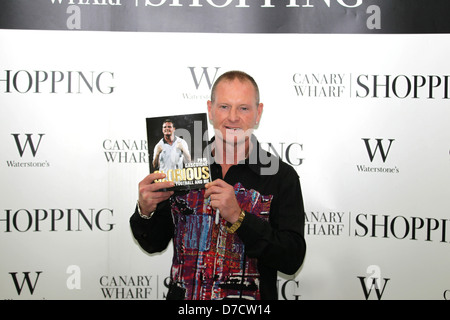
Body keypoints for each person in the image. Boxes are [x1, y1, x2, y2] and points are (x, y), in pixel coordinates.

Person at [130, 70, 306, 300]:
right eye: (224, 106)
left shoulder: (281, 176)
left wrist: (239, 217)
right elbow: (154, 243)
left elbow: (291, 259)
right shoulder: (182, 166)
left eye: (243, 108)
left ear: (258, 113)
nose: (233, 117)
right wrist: (146, 211)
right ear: (210, 110)